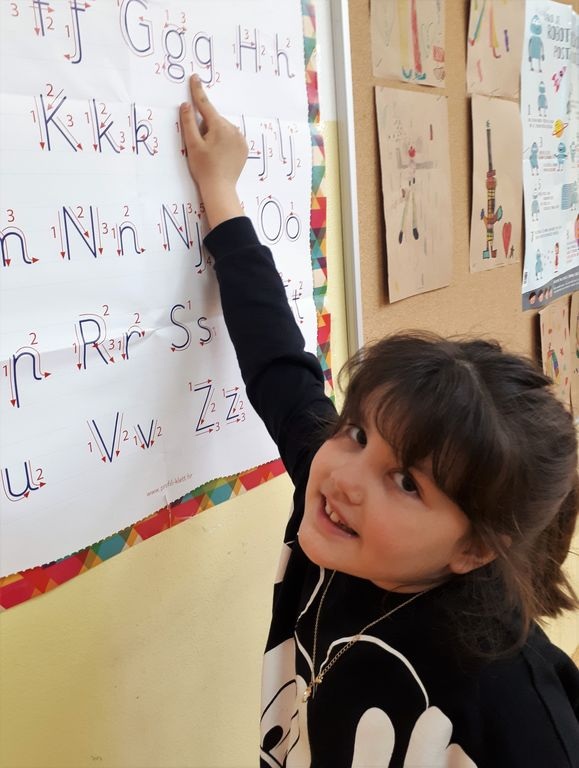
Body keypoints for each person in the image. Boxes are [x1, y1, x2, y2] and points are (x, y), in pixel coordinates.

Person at [179, 75, 579, 767]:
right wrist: (221, 190)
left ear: (473, 550)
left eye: (406, 482)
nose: (345, 475)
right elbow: (277, 362)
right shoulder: (337, 495)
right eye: (359, 433)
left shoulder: (511, 705)